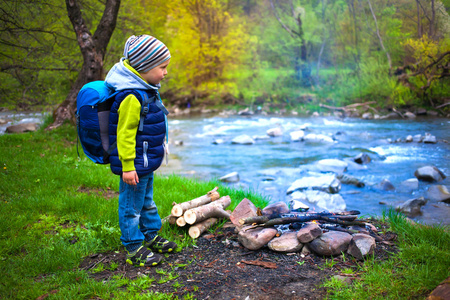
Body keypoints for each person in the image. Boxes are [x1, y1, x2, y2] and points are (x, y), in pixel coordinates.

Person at [104, 35, 177, 267]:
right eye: (162, 67)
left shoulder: (147, 89)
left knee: (147, 201)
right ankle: (133, 245)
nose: (165, 72)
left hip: (145, 162)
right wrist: (127, 166)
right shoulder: (132, 96)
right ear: (144, 67)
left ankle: (151, 234)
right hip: (133, 165)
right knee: (131, 206)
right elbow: (124, 135)